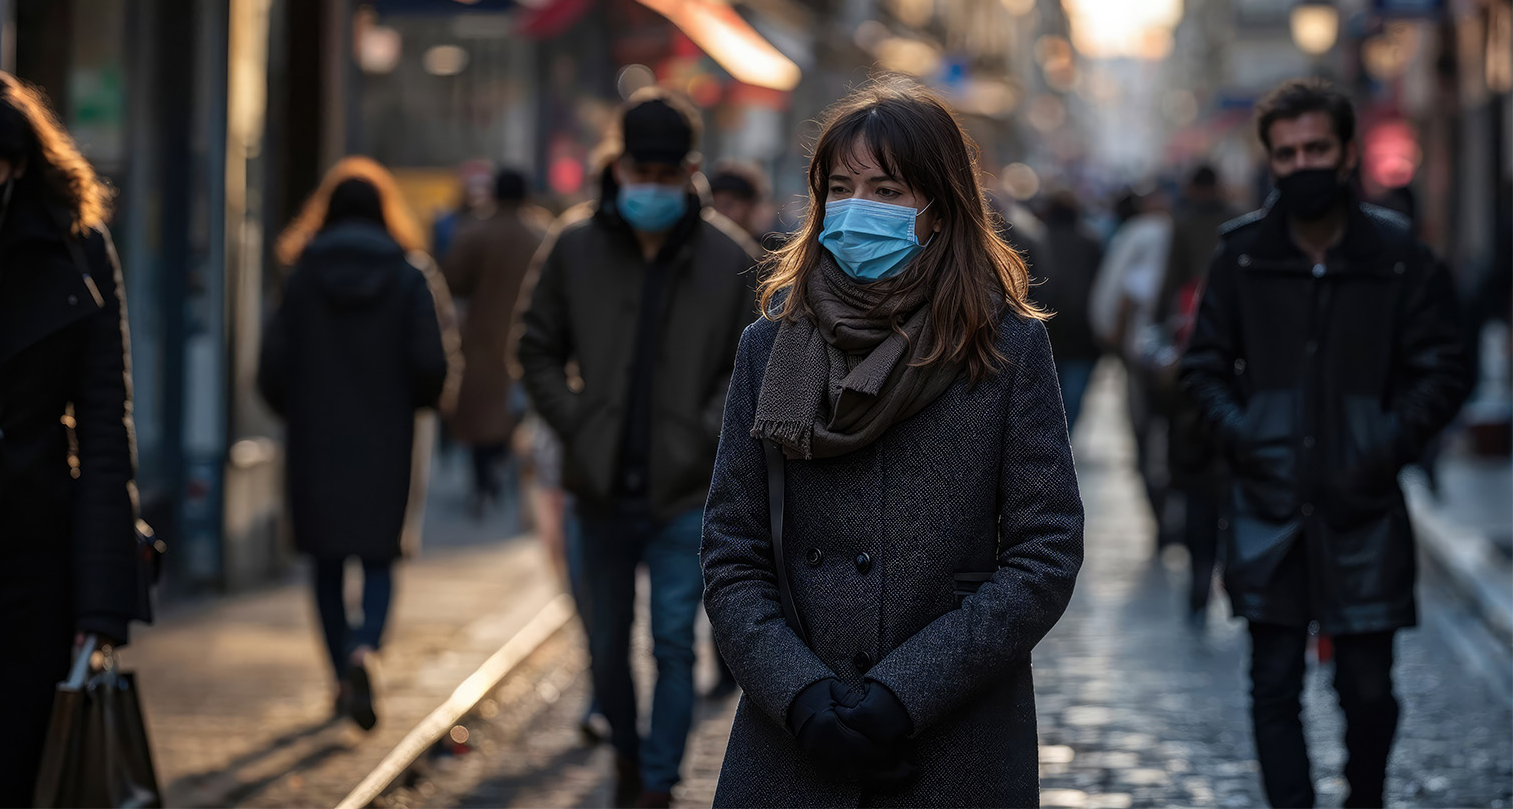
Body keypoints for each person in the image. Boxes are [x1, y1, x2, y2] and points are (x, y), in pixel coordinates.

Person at [701, 77, 1085, 806]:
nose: (856, 211)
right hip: (794, 742)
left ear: (937, 210)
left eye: (885, 191)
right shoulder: (769, 347)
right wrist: (803, 695)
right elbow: (731, 547)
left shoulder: (1004, 349)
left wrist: (902, 694)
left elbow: (1045, 550)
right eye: (840, 188)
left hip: (951, 735)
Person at [1180, 78, 1469, 809]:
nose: (1302, 163)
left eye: (1316, 148)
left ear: (1346, 153)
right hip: (1267, 503)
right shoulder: (1241, 254)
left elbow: (1444, 364)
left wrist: (1387, 440)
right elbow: (1205, 364)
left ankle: (1363, 798)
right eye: (1287, 152)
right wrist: (1247, 434)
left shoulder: (1396, 254)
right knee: (1272, 683)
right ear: (1269, 161)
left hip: (1362, 502)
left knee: (1369, 689)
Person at [517, 89, 758, 808]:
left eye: (665, 174)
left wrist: (704, 429)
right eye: (638, 172)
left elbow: (752, 367)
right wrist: (579, 422)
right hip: (599, 488)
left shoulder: (729, 258)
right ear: (616, 166)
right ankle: (625, 753)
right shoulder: (574, 244)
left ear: (689, 171)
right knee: (602, 646)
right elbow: (533, 347)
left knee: (676, 644)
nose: (650, 187)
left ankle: (658, 781)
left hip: (686, 491)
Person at [0, 60, 142, 807]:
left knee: (30, 774)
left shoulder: (76, 250)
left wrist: (102, 604)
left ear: (20, 168)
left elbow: (104, 426)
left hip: (31, 559)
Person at [258, 157, 459, 732]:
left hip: (315, 439)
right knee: (378, 556)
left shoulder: (302, 276)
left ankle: (340, 673)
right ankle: (364, 649)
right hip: (386, 438)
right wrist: (413, 404)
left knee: (324, 562)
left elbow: (272, 366)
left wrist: (295, 409)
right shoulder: (409, 273)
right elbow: (432, 364)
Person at [1146, 164, 1237, 626]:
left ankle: (1202, 573)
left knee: (1197, 483)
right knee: (1227, 484)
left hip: (1189, 365)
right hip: (1237, 370)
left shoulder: (1180, 227)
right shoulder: (1242, 222)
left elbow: (1165, 293)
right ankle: (1224, 570)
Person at [441, 168, 547, 518]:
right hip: (529, 336)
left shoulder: (474, 232)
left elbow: (451, 281)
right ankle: (506, 479)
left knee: (479, 417)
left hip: (482, 339)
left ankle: (483, 481)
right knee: (513, 415)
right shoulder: (542, 234)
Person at [1090, 184, 1174, 546]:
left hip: (1140, 354)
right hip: (1175, 353)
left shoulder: (1136, 235)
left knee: (1145, 430)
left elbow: (1115, 295)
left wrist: (1110, 332)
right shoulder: (1172, 232)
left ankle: (1161, 512)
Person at [1036, 190, 1104, 430]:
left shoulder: (1037, 239)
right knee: (1071, 402)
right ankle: (1065, 441)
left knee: (1043, 399)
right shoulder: (1091, 243)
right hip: (1081, 334)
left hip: (1044, 331)